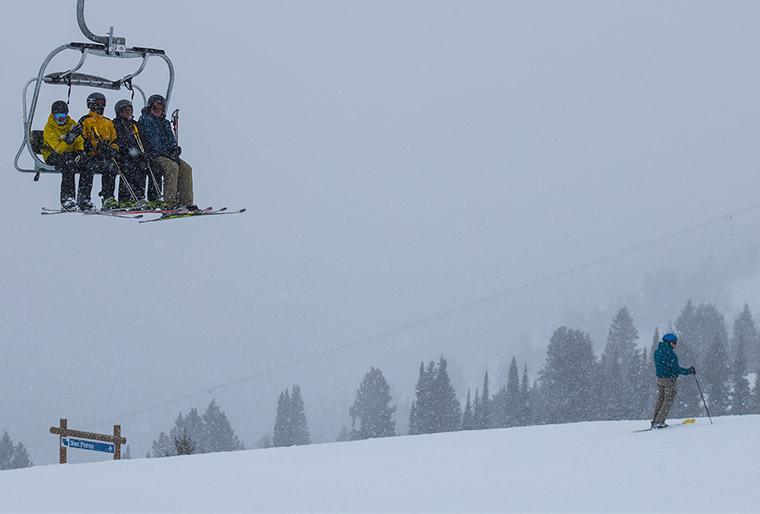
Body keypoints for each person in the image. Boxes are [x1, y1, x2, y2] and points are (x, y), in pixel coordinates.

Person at [138, 94, 195, 209]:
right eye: (155, 108)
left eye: (160, 108)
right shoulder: (146, 120)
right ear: (150, 108)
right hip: (154, 155)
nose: (158, 111)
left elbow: (170, 139)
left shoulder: (164, 123)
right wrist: (167, 152)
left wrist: (174, 149)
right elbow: (153, 140)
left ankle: (185, 202)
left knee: (186, 168)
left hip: (167, 155)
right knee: (172, 167)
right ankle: (169, 202)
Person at [41, 100, 92, 210]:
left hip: (70, 154)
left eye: (63, 115)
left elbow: (79, 140)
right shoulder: (49, 127)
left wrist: (80, 151)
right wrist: (69, 139)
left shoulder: (72, 124)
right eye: (58, 115)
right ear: (53, 115)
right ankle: (67, 199)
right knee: (68, 163)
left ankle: (84, 198)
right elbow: (58, 149)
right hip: (52, 155)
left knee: (87, 164)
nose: (61, 118)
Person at [80, 92, 121, 209]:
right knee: (88, 167)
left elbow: (115, 140)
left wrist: (112, 149)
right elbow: (81, 139)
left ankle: (108, 198)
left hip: (104, 156)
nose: (100, 106)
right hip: (90, 155)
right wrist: (94, 146)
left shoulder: (108, 122)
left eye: (103, 103)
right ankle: (84, 198)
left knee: (111, 167)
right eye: (98, 103)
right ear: (91, 104)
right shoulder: (85, 121)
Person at [112, 99, 153, 208]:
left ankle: (139, 196)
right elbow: (119, 140)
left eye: (130, 110)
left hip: (137, 154)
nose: (129, 113)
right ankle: (124, 198)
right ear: (120, 112)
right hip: (123, 154)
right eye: (126, 111)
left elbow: (143, 140)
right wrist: (128, 150)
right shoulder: (116, 124)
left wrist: (145, 152)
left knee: (142, 166)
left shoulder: (134, 125)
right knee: (127, 167)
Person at [651, 333, 695, 429]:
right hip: (669, 380)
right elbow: (676, 369)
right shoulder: (671, 355)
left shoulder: (657, 352)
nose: (676, 345)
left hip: (659, 379)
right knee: (668, 401)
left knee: (660, 400)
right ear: (670, 343)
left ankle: (655, 420)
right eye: (675, 342)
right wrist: (688, 371)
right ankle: (659, 422)